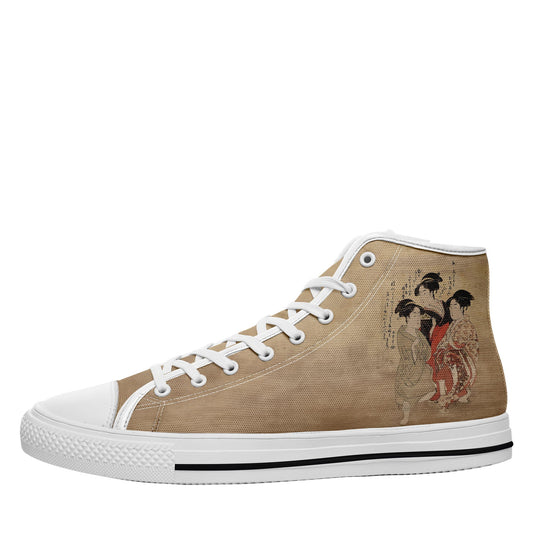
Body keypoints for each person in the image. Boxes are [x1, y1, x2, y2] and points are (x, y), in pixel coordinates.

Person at [431, 290, 479, 408]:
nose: (452, 310)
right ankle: (444, 394)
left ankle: (456, 394)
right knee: (440, 355)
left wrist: (445, 347)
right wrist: (441, 349)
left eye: (455, 307)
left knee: (448, 356)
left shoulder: (466, 324)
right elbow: (444, 342)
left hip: (465, 359)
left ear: (463, 308)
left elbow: (457, 345)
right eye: (451, 307)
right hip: (451, 356)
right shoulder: (453, 324)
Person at [394, 299, 436, 425]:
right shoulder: (402, 333)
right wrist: (413, 348)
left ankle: (416, 406)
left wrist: (420, 352)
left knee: (432, 389)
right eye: (414, 315)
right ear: (407, 317)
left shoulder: (418, 333)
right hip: (408, 370)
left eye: (419, 315)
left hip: (421, 368)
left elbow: (427, 353)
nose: (418, 318)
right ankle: (406, 416)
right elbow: (407, 356)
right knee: (408, 394)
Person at [414, 273, 449, 348]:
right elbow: (425, 339)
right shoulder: (424, 313)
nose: (422, 297)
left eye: (424, 292)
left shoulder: (444, 305)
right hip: (435, 347)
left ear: (432, 291)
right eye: (420, 293)